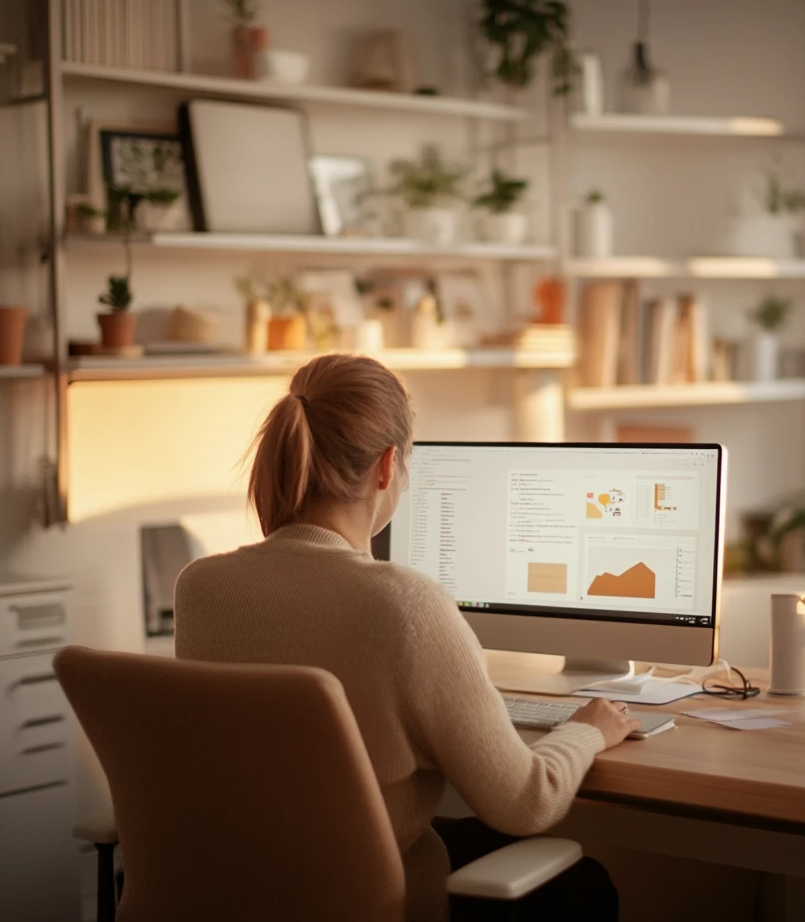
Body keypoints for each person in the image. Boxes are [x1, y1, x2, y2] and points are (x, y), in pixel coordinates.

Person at [174, 353, 637, 921]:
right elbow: (525, 802)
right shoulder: (407, 606)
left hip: (232, 897)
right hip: (369, 902)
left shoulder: (200, 588)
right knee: (585, 886)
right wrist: (588, 730)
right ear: (387, 466)